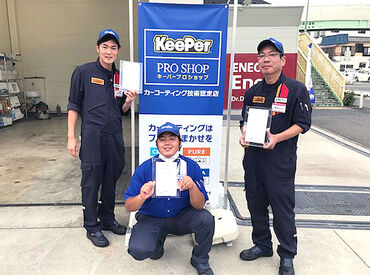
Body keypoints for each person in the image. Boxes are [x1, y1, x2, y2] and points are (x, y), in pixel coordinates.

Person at [239, 38, 312, 275]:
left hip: (279, 162)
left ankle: (287, 254)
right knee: (255, 204)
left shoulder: (295, 89)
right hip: (253, 161)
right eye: (261, 55)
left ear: (283, 60)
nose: (266, 59)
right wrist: (244, 134)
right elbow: (245, 121)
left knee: (282, 209)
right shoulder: (253, 91)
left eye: (272, 54)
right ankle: (262, 244)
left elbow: (303, 123)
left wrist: (277, 138)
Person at [67, 29, 138, 247]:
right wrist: (71, 136)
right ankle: (92, 225)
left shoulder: (120, 76)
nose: (109, 51)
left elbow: (121, 109)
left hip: (114, 134)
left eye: (113, 47)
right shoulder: (84, 72)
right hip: (92, 135)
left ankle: (107, 219)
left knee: (111, 178)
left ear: (118, 51)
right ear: (98, 48)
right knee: (91, 180)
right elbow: (73, 105)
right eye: (105, 46)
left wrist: (129, 101)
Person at [124, 122, 215, 275]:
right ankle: (157, 244)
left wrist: (192, 187)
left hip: (181, 217)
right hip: (152, 218)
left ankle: (200, 259)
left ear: (180, 143)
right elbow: (129, 206)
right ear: (157, 144)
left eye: (172, 139)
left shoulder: (191, 166)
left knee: (206, 219)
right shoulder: (145, 168)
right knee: (139, 250)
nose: (167, 143)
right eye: (162, 139)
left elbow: (199, 206)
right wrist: (141, 196)